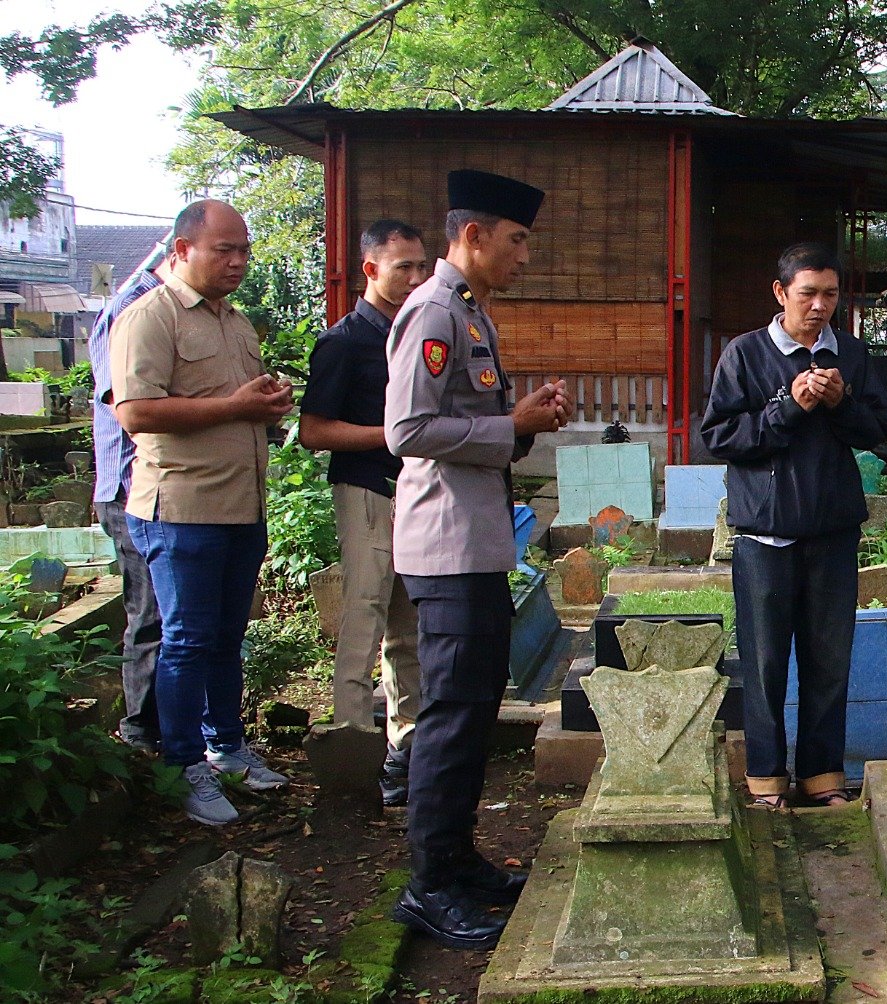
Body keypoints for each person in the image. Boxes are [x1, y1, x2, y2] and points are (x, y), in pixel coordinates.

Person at [384, 169, 571, 950]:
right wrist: (509, 428)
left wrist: (522, 423)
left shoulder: (470, 314)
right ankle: (429, 885)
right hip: (446, 545)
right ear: (475, 235)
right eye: (518, 238)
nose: (525, 254)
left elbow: (474, 425)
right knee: (451, 717)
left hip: (477, 541)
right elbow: (408, 431)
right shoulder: (433, 312)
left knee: (470, 709)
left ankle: (458, 864)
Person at [110, 200, 295, 825]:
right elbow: (135, 411)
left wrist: (267, 404)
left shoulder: (236, 322)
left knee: (225, 639)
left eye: (243, 249)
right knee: (186, 640)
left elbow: (238, 401)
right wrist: (235, 408)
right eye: (225, 250)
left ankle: (227, 748)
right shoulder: (149, 318)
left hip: (240, 504)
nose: (239, 262)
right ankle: (182, 763)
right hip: (181, 508)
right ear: (183, 249)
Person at [701, 242, 887, 809]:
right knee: (763, 664)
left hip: (832, 531)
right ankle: (766, 779)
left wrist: (839, 402)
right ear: (781, 293)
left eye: (830, 295)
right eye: (807, 293)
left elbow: (877, 430)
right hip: (765, 533)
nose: (819, 306)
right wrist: (787, 406)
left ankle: (822, 777)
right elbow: (720, 437)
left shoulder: (852, 356)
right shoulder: (746, 355)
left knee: (829, 659)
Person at [300, 219, 429, 807]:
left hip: (419, 493)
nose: (415, 277)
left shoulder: (420, 328)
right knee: (366, 611)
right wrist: (393, 435)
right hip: (367, 490)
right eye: (402, 266)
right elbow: (313, 430)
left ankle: (408, 747)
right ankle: (353, 736)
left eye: (421, 266)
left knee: (410, 623)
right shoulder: (343, 341)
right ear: (369, 269)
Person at [89, 241, 171, 755]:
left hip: (158, 487)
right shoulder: (134, 308)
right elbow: (126, 402)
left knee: (170, 613)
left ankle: (169, 732)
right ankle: (141, 733)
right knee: (150, 613)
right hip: (128, 487)